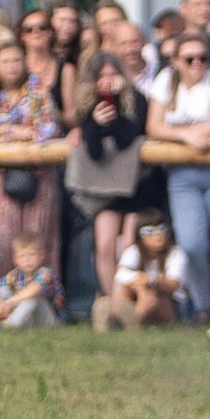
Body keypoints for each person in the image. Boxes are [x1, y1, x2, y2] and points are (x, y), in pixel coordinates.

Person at [145, 32, 210, 315]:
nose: (197, 64)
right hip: (180, 175)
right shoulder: (165, 81)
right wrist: (187, 136)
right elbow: (153, 126)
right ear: (176, 61)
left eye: (203, 58)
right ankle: (204, 305)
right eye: (189, 58)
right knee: (191, 243)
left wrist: (175, 132)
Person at [0, 38, 62, 290]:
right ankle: (2, 294)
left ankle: (42, 294)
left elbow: (48, 128)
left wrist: (1, 134)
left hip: (39, 174)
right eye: (5, 62)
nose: (12, 66)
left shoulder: (37, 89)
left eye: (16, 61)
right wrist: (10, 131)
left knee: (38, 235)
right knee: (3, 237)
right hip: (2, 172)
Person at [64, 51, 147, 307]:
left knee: (130, 246)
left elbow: (125, 139)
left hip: (137, 187)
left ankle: (131, 303)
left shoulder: (138, 99)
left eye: (113, 74)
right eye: (101, 76)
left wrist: (120, 103)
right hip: (105, 189)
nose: (108, 81)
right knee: (104, 246)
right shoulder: (87, 104)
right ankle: (113, 305)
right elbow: (94, 153)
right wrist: (94, 123)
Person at [93, 211, 185, 332]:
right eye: (149, 231)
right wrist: (141, 285)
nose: (158, 235)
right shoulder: (134, 251)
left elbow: (173, 285)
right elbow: (121, 275)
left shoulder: (175, 254)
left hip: (170, 304)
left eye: (162, 229)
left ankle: (124, 321)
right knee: (128, 291)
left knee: (151, 295)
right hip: (138, 295)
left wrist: (150, 281)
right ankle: (119, 315)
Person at [0, 232, 58, 329]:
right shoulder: (15, 274)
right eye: (22, 256)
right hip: (27, 318)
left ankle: (10, 325)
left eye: (32, 255)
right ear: (15, 260)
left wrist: (8, 303)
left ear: (41, 256)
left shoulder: (46, 273)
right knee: (2, 290)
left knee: (33, 299)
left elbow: (34, 289)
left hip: (46, 319)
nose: (27, 260)